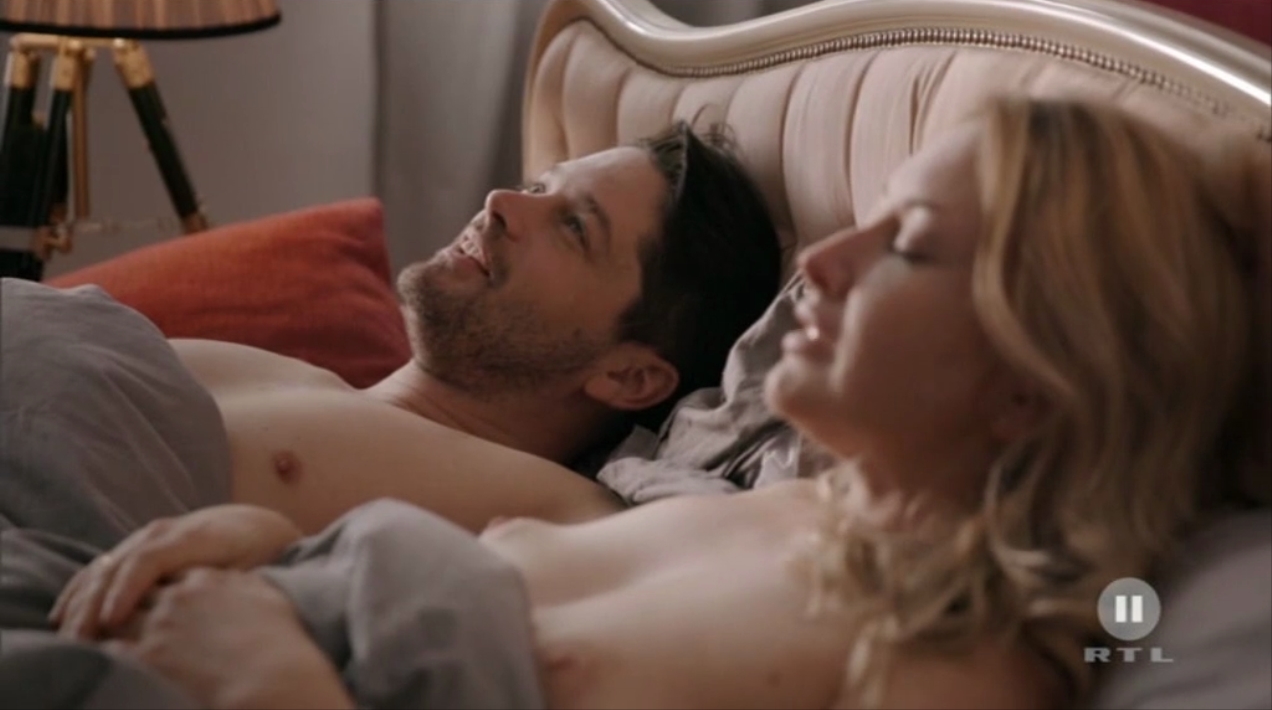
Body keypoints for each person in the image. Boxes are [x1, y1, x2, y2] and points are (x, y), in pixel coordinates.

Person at [51, 97, 1265, 709]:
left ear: (1032, 381)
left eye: (911, 245)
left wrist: (281, 685)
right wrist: (262, 546)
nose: (824, 261)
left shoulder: (955, 664)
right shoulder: (769, 515)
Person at [2, 120, 782, 546]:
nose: (502, 201)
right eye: (539, 185)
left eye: (574, 226)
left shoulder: (563, 513)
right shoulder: (304, 381)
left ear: (630, 376)